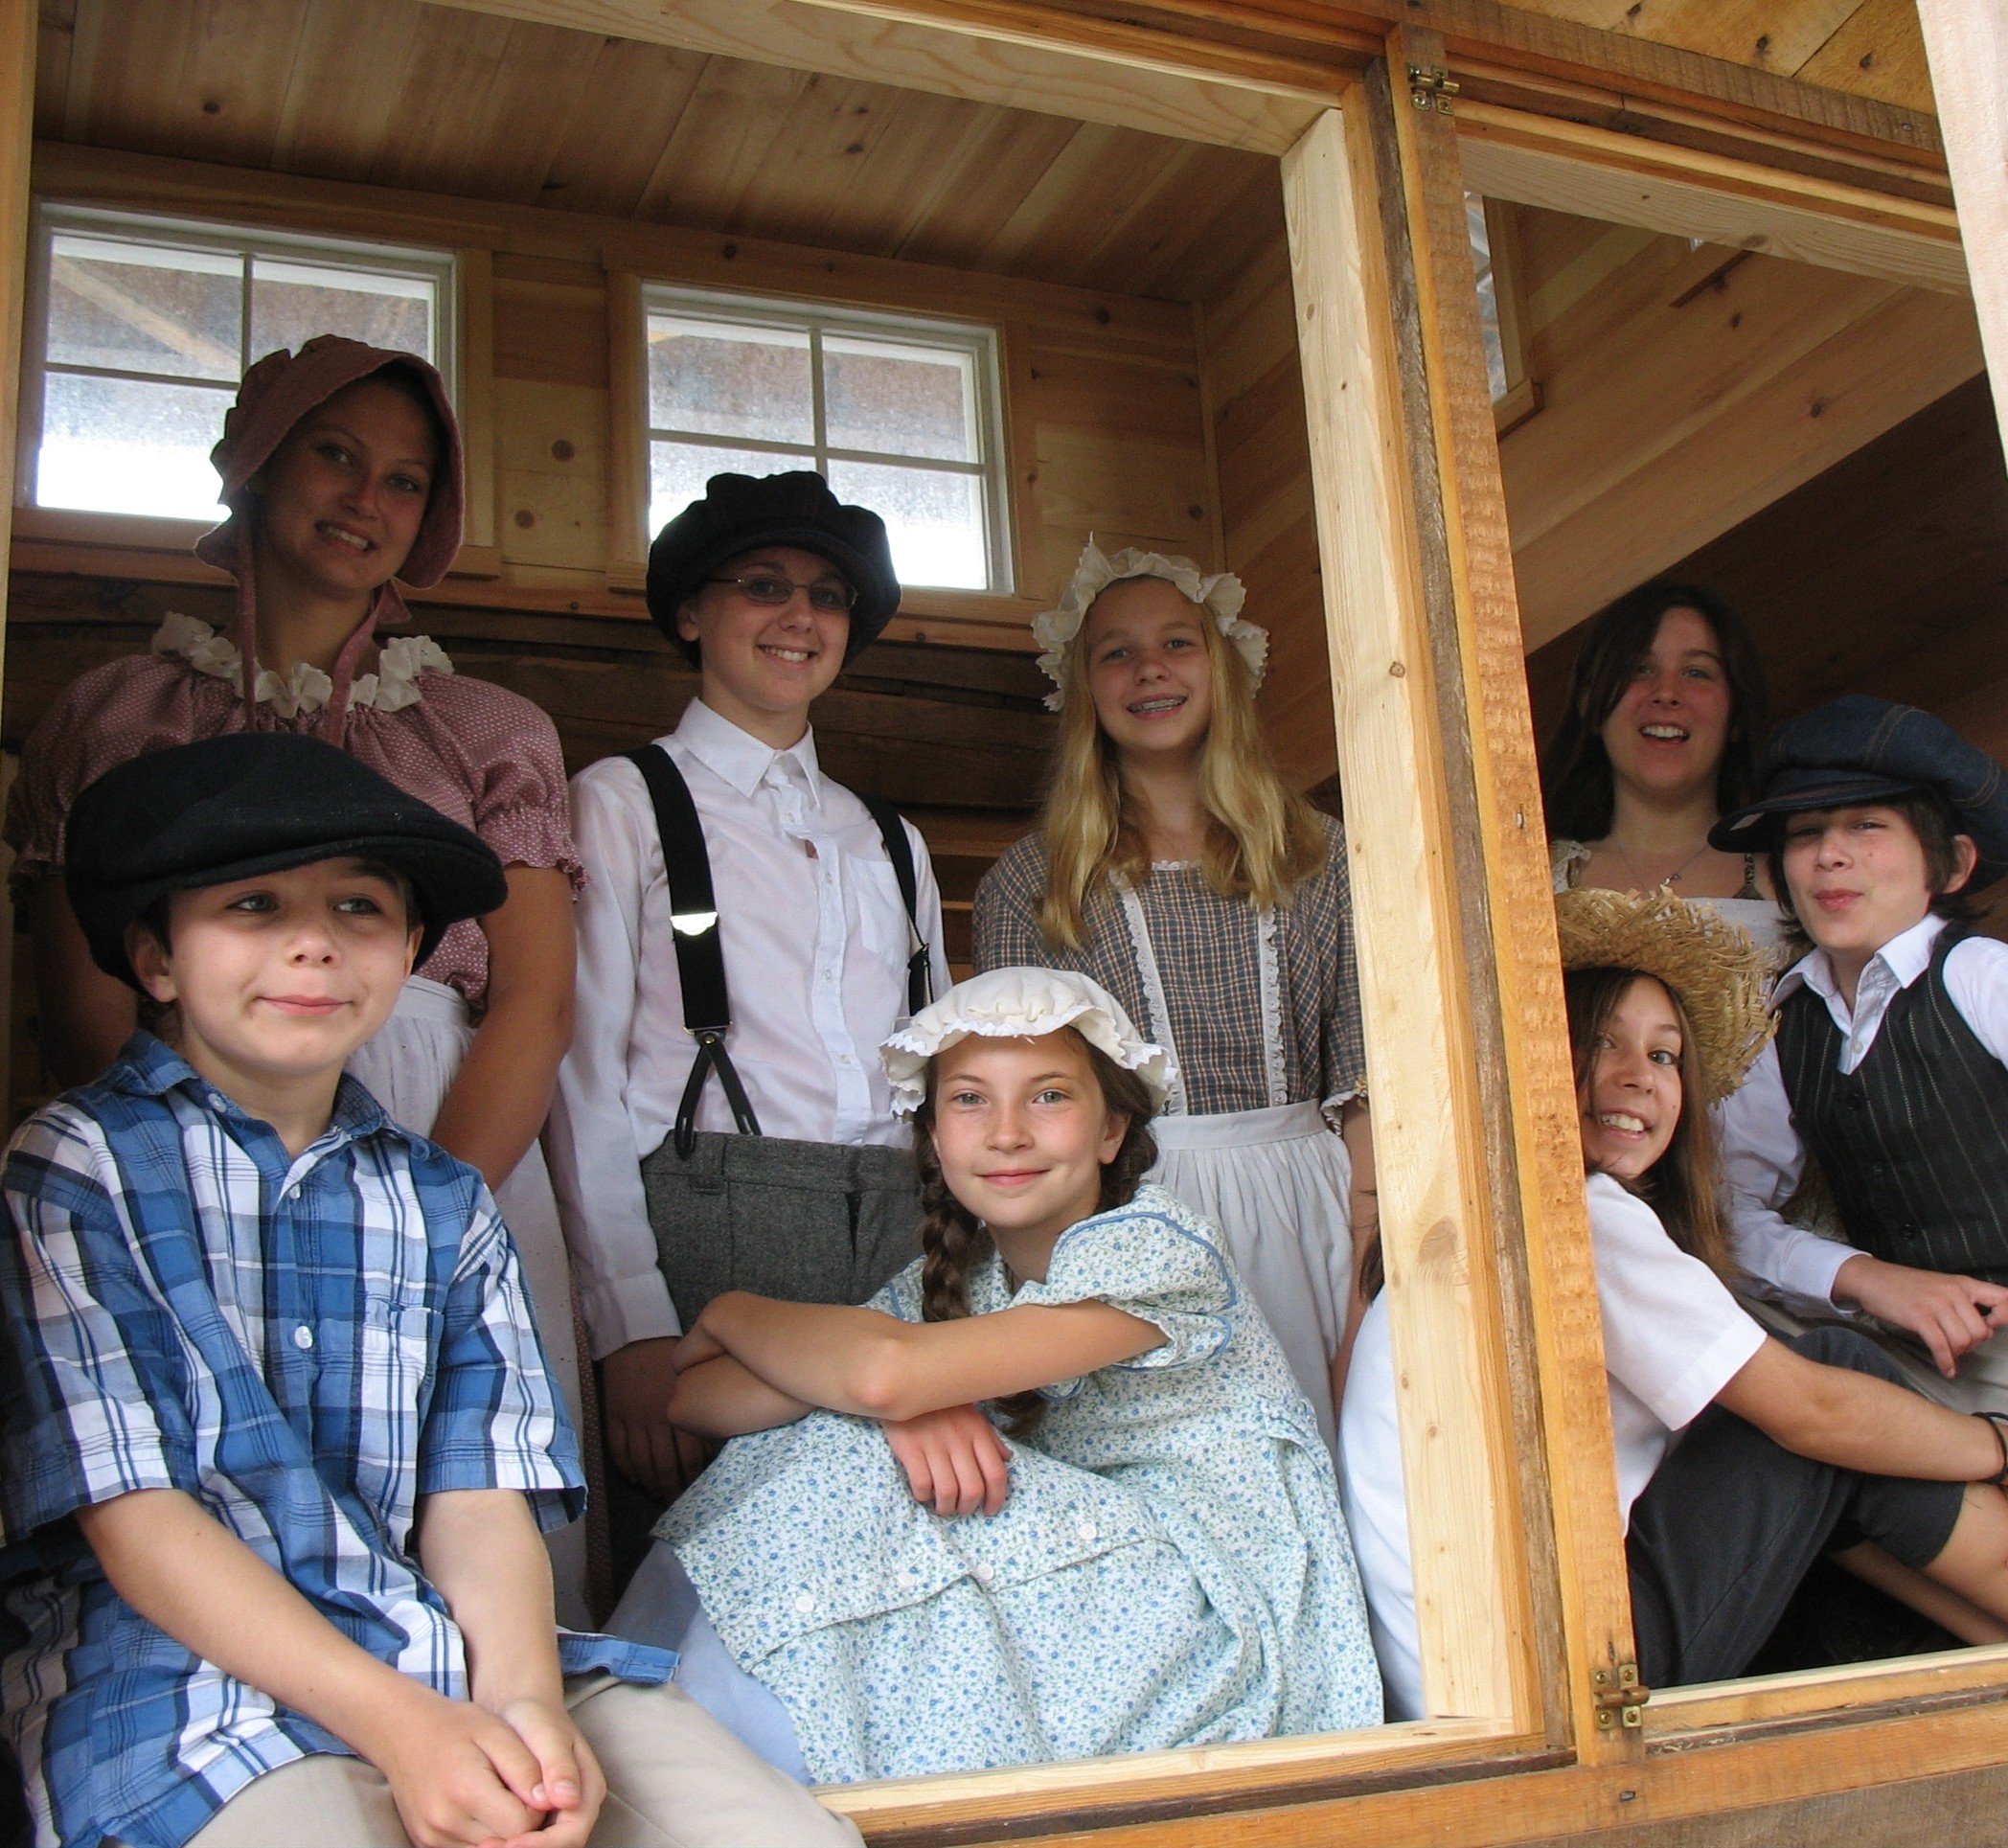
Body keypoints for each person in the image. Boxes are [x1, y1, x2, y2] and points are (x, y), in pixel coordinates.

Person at [0, 733, 856, 1848]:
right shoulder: (81, 1167)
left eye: (359, 908)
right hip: (177, 1684)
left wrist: (525, 1708)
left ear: (408, 951)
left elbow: (478, 1496)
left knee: (780, 1835)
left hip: (445, 1642)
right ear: (157, 958)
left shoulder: (441, 1197)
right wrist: (407, 1732)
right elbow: (136, 1518)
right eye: (254, 905)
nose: (314, 943)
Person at [4, 334, 591, 1618]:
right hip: (184, 1136)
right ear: (258, 462)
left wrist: (424, 1212)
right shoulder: (115, 715)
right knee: (215, 1483)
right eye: (335, 455)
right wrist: (181, 1185)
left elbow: (535, 1002)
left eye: (404, 480)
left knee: (457, 1489)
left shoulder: (486, 731)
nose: (365, 499)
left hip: (451, 1119)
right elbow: (86, 994)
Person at [1340, 887, 2008, 1713]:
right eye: (1599, 1042)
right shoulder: (1568, 1214)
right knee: (1825, 1387)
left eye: (1665, 1055)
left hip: (1490, 1673)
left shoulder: (1483, 1209)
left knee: (1831, 1451)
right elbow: (1811, 1411)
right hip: (1551, 1684)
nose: (1638, 1077)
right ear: (1529, 1056)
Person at [607, 968, 1382, 1784]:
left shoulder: (1155, 1248)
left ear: (1112, 1128)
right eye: (971, 1099)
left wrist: (734, 1311)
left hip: (1214, 1602)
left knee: (851, 1443)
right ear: (936, 1137)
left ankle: (716, 1755)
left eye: (1049, 1096)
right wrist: (896, 1403)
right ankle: (705, 1740)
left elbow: (880, 1374)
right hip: (1089, 1578)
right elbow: (697, 1395)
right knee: (830, 1429)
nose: (1007, 1132)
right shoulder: (962, 1278)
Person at [1712, 695, 2008, 1623]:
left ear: (1952, 863)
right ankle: (2005, 1484)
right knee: (1732, 1341)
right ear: (1776, 874)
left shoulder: (1992, 980)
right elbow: (1727, 1217)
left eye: (1867, 826)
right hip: (1916, 1366)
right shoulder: (1786, 1022)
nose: (1831, 855)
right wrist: (1866, 1277)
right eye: (1804, 834)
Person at [548, 470, 950, 1516]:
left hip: (898, 1232)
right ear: (693, 612)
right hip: (707, 1228)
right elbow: (581, 1079)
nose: (799, 616)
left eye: (827, 596)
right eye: (764, 585)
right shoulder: (624, 801)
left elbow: (939, 1070)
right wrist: (628, 1322)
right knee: (706, 1549)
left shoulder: (892, 839)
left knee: (894, 1547)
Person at [973, 542, 1374, 1439]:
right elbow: (1016, 1109)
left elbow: (1364, 1082)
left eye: (1177, 642)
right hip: (1124, 1223)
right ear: (1084, 688)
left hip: (1316, 1211)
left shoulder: (1319, 855)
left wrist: (1365, 1278)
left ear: (1223, 665)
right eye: (1116, 651)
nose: (1149, 668)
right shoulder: (1032, 884)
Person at [1540, 581, 1780, 947]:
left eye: (1696, 672)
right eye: (1640, 669)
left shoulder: (1797, 880)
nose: (1666, 693)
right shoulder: (1534, 882)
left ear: (1736, 715)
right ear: (1591, 706)